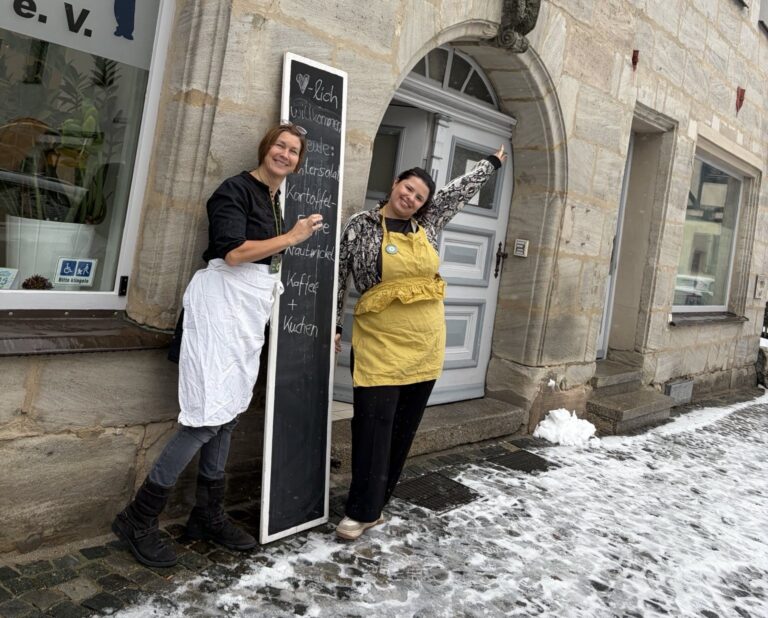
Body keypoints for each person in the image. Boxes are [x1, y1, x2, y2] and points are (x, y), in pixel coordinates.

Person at [113, 123, 325, 567]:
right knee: (203, 419)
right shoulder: (234, 190)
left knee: (227, 416)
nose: (285, 154)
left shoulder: (273, 199)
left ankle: (206, 513)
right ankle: (138, 517)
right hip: (218, 313)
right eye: (280, 146)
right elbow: (231, 253)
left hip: (244, 316)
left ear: (299, 163)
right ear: (266, 148)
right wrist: (291, 238)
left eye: (294, 151)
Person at [333, 145, 507, 540]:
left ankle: (377, 504)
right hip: (379, 341)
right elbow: (338, 276)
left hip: (424, 341)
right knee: (372, 426)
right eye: (407, 189)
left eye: (419, 197)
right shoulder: (360, 225)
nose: (410, 198)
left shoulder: (426, 225)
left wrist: (492, 164)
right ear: (395, 184)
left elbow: (458, 192)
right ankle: (359, 511)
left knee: (401, 430)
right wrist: (334, 325)